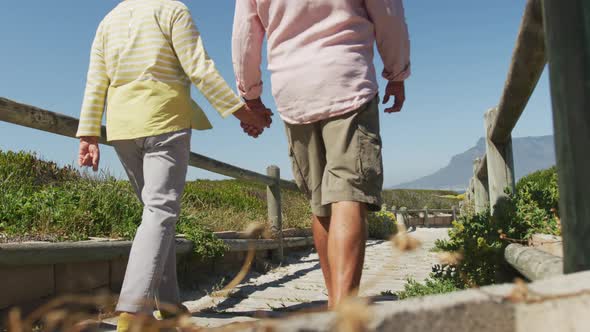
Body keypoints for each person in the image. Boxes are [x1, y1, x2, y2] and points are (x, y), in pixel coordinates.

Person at [76, 0, 271, 330]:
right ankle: (134, 309)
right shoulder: (172, 10)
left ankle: (168, 305)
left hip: (122, 127)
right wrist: (243, 112)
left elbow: (97, 81)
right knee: (160, 212)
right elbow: (199, 68)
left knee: (155, 215)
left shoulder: (108, 21)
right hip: (164, 118)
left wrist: (89, 134)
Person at [232, 0, 410, 307]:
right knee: (349, 192)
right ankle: (343, 311)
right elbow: (388, 13)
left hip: (293, 91)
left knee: (321, 200)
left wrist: (251, 95)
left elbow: (245, 34)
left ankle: (334, 303)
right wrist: (397, 72)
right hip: (346, 79)